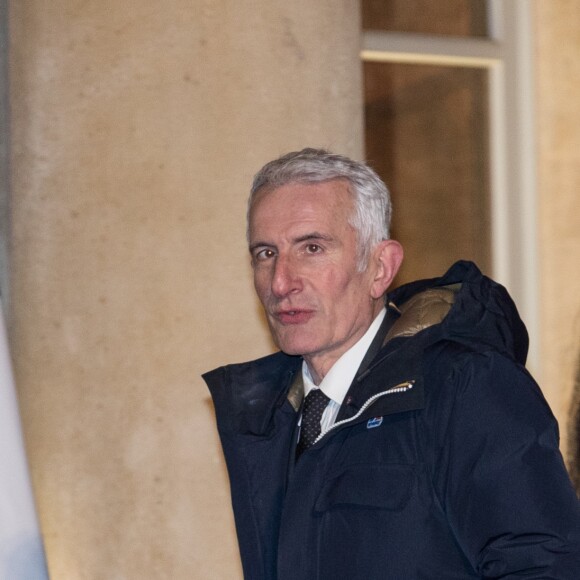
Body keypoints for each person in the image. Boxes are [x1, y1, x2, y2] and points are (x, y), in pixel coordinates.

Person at [203, 148, 580, 579]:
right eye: (265, 254)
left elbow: (544, 564)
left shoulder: (466, 386)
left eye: (312, 247)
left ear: (380, 268)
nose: (282, 282)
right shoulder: (272, 417)